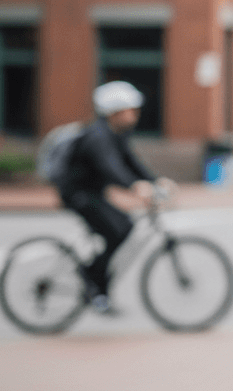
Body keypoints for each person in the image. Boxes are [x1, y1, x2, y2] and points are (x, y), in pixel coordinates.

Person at [57, 81, 174, 313]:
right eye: (131, 109)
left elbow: (130, 162)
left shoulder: (116, 134)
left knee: (123, 228)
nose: (135, 114)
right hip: (78, 194)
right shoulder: (98, 136)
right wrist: (134, 186)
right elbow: (110, 167)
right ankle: (93, 280)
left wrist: (154, 181)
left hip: (93, 192)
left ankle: (99, 286)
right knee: (117, 231)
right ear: (115, 111)